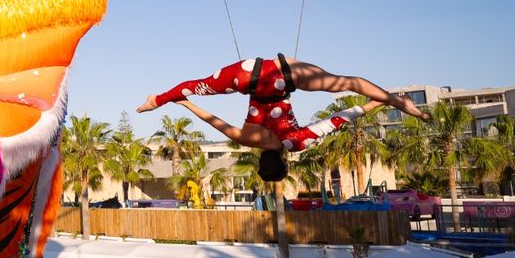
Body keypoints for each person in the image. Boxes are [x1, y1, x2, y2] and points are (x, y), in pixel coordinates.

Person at [138, 56, 427, 182]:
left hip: (285, 75)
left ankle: (397, 101)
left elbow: (337, 120)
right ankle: (156, 100)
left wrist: (378, 104)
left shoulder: (295, 143)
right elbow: (212, 119)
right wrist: (182, 102)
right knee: (198, 85)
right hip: (246, 75)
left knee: (345, 83)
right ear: (261, 161)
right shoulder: (246, 139)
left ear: (284, 162)